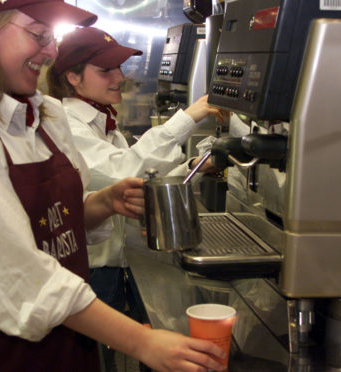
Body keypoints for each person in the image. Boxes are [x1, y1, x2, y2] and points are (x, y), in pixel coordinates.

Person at [0, 0, 227, 371]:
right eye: (38, 34)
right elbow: (16, 275)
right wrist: (142, 341)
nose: (50, 51)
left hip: (69, 333)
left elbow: (58, 219)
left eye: (51, 37)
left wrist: (104, 201)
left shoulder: (44, 113)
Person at [46, 26, 227, 365]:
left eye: (119, 68)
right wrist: (189, 116)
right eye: (105, 70)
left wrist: (194, 165)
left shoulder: (102, 122)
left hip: (116, 264)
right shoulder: (67, 123)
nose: (119, 77)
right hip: (94, 268)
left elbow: (137, 182)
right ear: (72, 76)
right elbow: (123, 170)